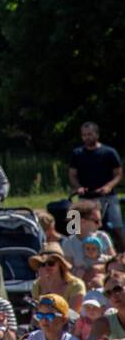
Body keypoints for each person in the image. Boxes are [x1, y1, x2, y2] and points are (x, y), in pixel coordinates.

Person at [70, 121, 123, 252]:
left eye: (89, 134)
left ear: (97, 135)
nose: (87, 137)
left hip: (107, 196)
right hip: (85, 198)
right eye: (84, 135)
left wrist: (109, 186)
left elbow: (118, 174)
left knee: (117, 226)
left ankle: (122, 251)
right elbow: (72, 175)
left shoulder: (109, 152)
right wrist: (78, 187)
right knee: (75, 226)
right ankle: (75, 251)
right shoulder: (77, 153)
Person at [29, 245, 86, 313]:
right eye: (42, 264)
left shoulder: (76, 285)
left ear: (60, 265)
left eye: (51, 263)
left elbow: (72, 315)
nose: (46, 267)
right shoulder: (37, 285)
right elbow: (36, 315)